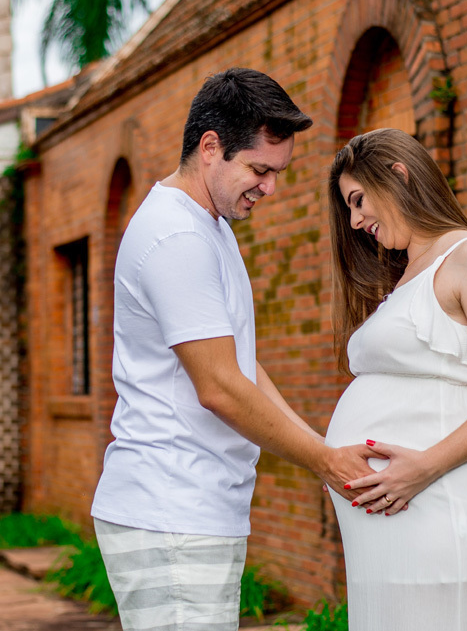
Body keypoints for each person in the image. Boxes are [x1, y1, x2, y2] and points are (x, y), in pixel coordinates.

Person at [91, 68, 385, 631]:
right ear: (210, 148)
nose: (269, 188)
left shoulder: (209, 226)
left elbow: (240, 365)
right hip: (172, 509)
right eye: (259, 170)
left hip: (191, 509)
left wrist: (322, 448)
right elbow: (221, 388)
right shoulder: (177, 235)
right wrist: (323, 460)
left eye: (277, 173)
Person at [324, 128, 467, 630]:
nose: (354, 221)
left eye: (357, 200)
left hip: (444, 518)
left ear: (399, 175)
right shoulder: (406, 276)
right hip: (394, 539)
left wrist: (424, 467)